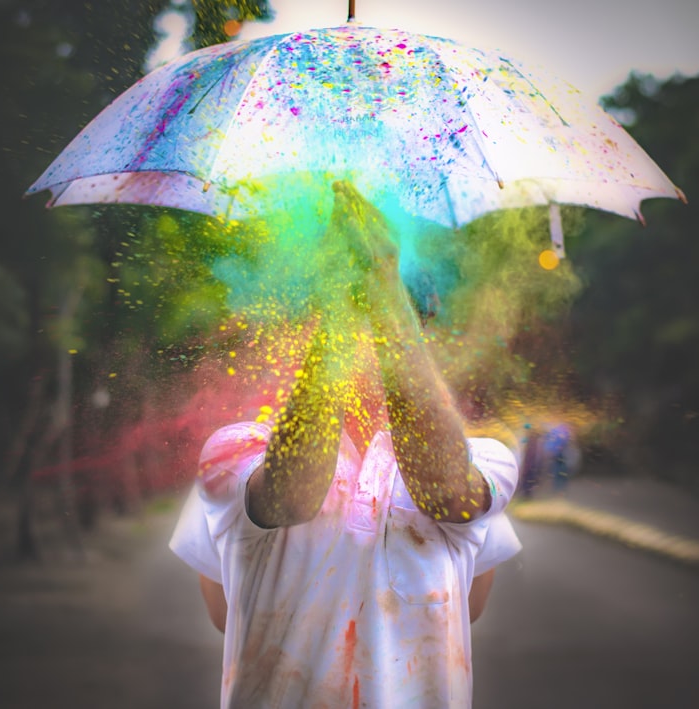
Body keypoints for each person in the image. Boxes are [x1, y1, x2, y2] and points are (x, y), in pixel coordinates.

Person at [170, 181, 521, 708]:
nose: (368, 338)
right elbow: (286, 500)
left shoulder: (483, 457)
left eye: (386, 317)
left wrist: (378, 286)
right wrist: (351, 295)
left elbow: (451, 498)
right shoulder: (235, 451)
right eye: (348, 316)